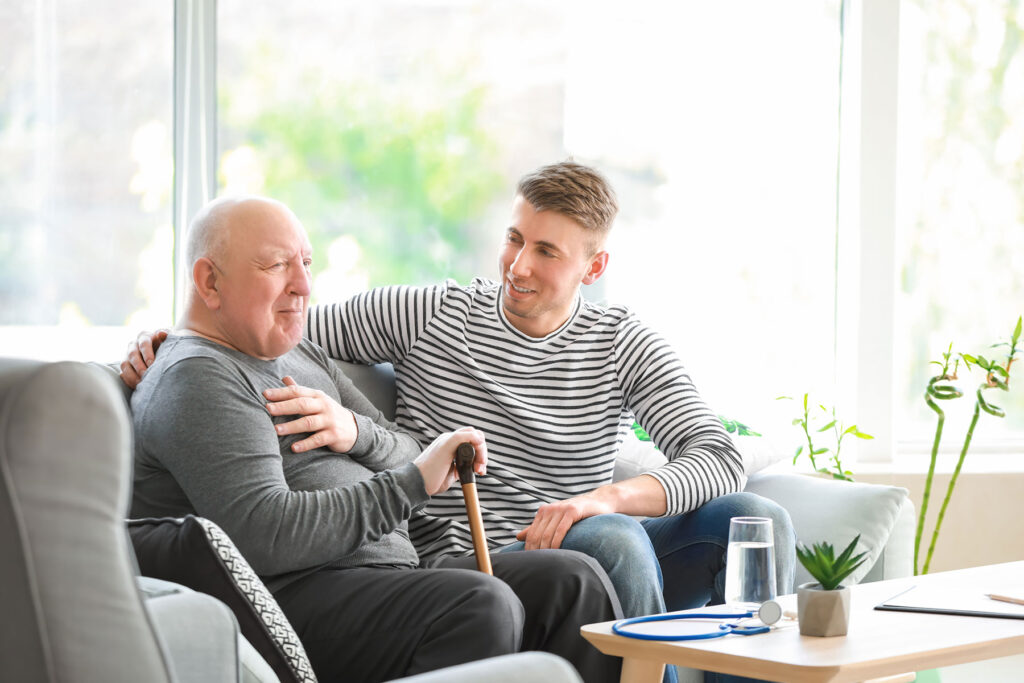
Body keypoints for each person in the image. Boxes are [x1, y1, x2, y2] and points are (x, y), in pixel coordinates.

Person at [124, 163, 796, 682]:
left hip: (516, 542)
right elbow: (237, 326)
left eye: (548, 252)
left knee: (739, 522)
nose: (519, 265)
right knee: (602, 548)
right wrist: (159, 342)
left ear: (594, 267)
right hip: (456, 549)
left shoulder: (620, 340)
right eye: (514, 239)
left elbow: (713, 451)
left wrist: (603, 497)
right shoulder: (429, 313)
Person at [129, 195, 622, 683]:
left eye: (305, 263)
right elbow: (267, 535)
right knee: (478, 605)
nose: (303, 285)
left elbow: (407, 447)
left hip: (387, 577)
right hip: (292, 596)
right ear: (209, 281)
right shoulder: (198, 375)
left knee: (575, 583)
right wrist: (409, 485)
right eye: (277, 265)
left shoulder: (302, 354)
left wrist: (355, 431)